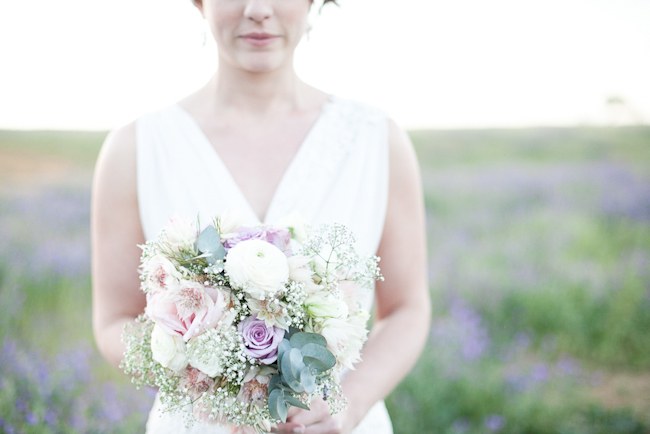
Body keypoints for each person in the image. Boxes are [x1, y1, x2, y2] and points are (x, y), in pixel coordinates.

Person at [91, 0, 430, 433]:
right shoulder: (136, 147)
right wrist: (208, 377)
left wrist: (346, 404)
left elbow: (407, 308)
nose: (257, 9)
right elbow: (113, 320)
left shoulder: (376, 139)